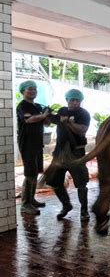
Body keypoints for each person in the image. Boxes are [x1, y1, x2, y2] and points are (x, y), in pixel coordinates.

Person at [47, 89, 91, 221]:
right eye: (72, 100)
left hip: (76, 152)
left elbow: (82, 130)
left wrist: (70, 122)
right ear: (67, 100)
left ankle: (84, 210)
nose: (74, 102)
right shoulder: (62, 110)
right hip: (60, 152)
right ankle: (66, 205)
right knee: (54, 181)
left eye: (77, 100)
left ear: (80, 101)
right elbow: (51, 121)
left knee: (81, 183)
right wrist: (47, 115)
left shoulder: (84, 114)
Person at [16, 80, 51, 215]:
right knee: (30, 174)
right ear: (23, 91)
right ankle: (25, 204)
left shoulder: (37, 106)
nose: (33, 91)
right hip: (27, 144)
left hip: (37, 143)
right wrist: (43, 115)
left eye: (35, 89)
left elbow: (47, 123)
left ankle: (32, 199)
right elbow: (29, 120)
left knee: (35, 172)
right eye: (29, 89)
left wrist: (47, 115)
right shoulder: (22, 106)